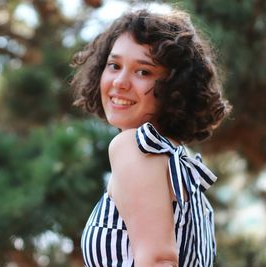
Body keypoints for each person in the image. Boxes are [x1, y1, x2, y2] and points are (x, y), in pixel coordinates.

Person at [71, 6, 231, 267]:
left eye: (143, 71)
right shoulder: (179, 163)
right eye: (114, 65)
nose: (120, 82)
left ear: (174, 87)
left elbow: (158, 260)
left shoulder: (135, 147)